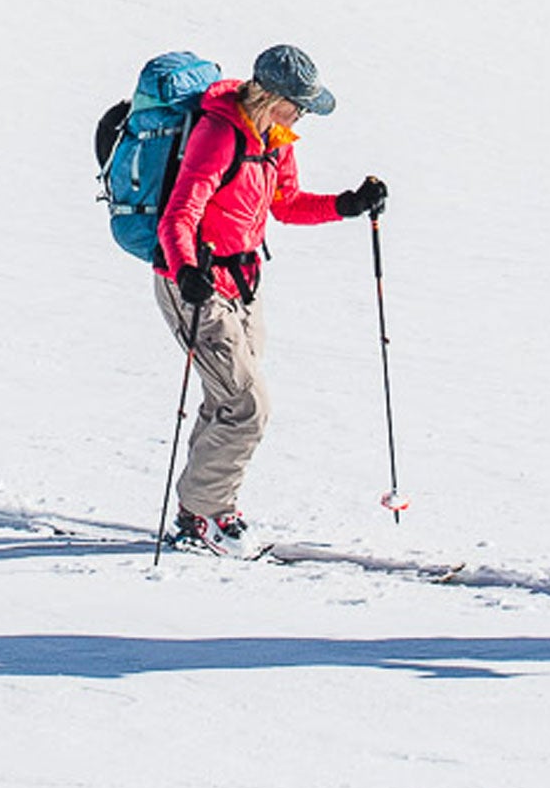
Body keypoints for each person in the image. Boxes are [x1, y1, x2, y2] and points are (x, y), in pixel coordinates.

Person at [155, 42, 385, 547]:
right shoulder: (217, 134)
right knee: (248, 406)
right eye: (298, 103)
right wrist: (187, 270)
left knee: (229, 399)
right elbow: (179, 215)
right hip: (194, 285)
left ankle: (201, 511)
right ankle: (204, 516)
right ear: (272, 97)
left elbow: (286, 203)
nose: (302, 113)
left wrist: (348, 204)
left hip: (242, 283)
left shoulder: (275, 139)